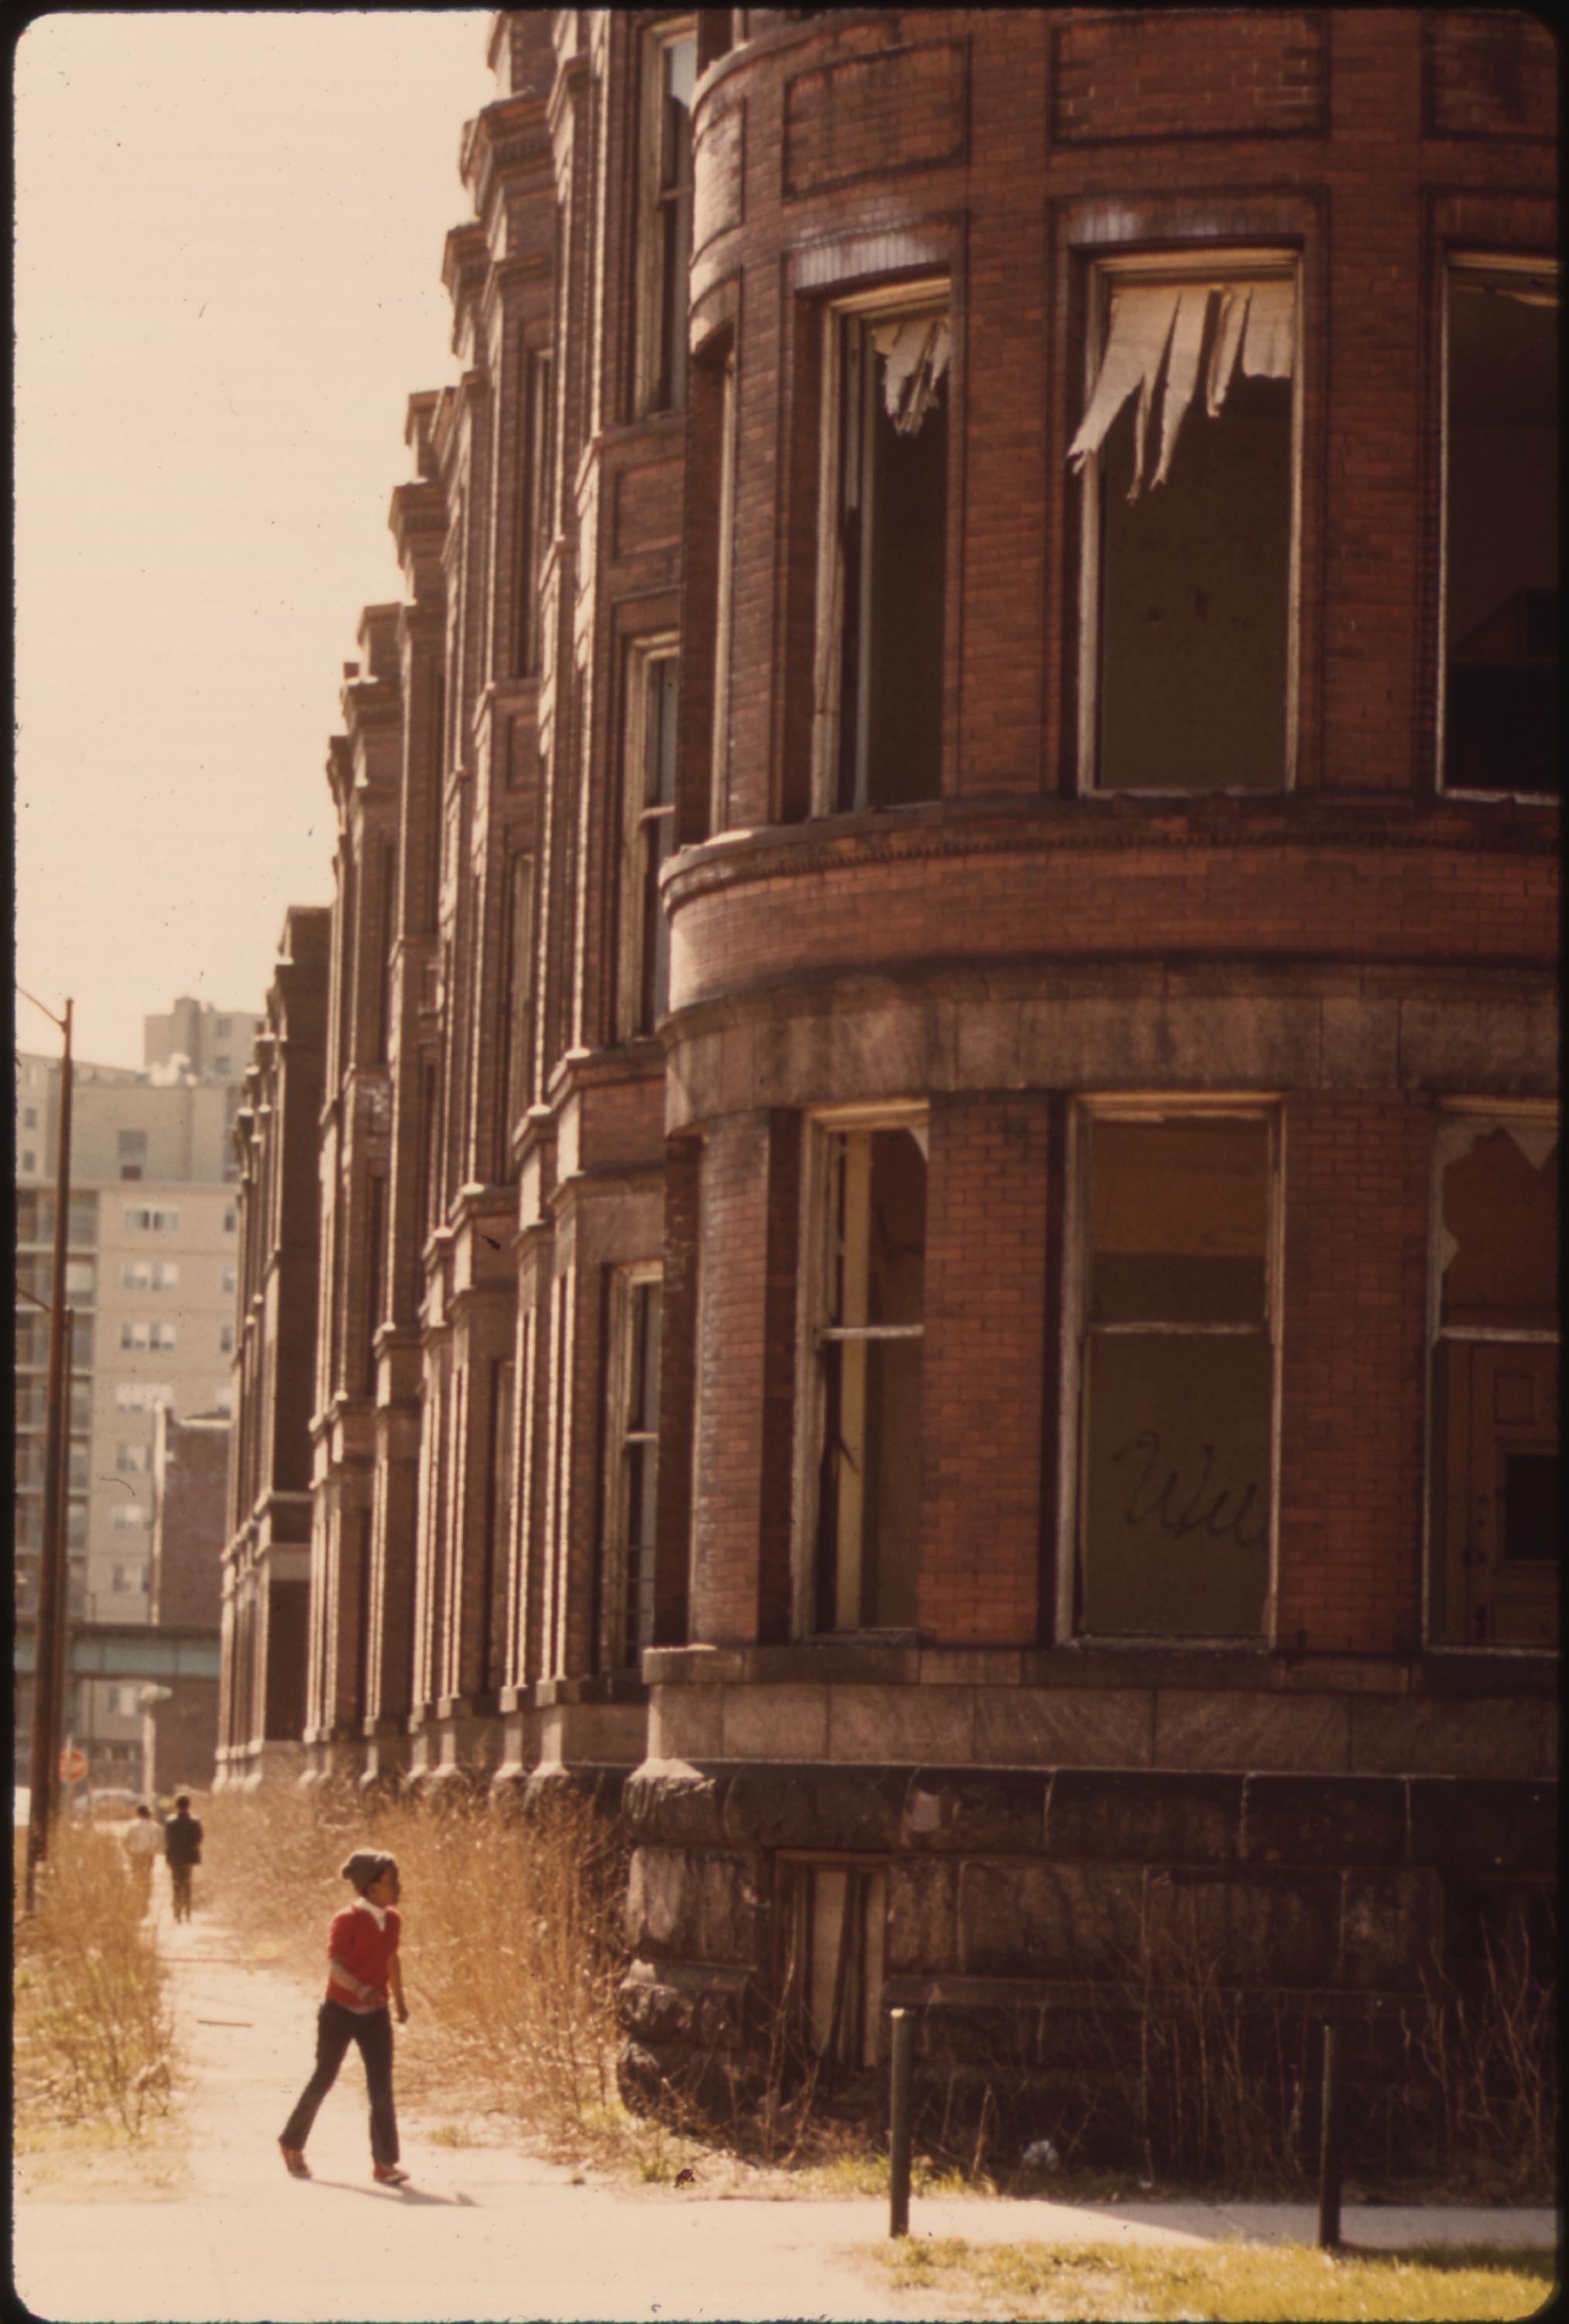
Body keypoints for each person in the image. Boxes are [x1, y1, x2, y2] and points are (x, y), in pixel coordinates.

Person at [279, 1849, 410, 2187]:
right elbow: (335, 1966)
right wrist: (360, 1989)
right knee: (325, 2076)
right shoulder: (346, 1920)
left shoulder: (392, 1920)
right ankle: (291, 2143)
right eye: (390, 1881)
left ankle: (384, 2163)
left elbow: (391, 1960)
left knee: (381, 2085)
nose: (398, 1887)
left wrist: (400, 2002)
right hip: (340, 2011)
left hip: (376, 2014)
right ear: (370, 1888)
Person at [163, 1793, 203, 1921]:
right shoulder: (195, 1822)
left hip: (175, 1857)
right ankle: (188, 1912)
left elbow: (168, 1840)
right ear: (189, 1805)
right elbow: (199, 1838)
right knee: (187, 1883)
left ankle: (177, 1912)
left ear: (176, 1806)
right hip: (189, 1856)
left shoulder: (170, 1822)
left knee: (176, 1884)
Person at [121, 1803, 162, 1916]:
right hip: (148, 1856)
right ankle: (145, 1902)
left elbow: (125, 1841)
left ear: (138, 1813)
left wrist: (129, 1853)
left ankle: (137, 1901)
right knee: (147, 1877)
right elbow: (157, 1844)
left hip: (135, 1855)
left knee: (136, 1878)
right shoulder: (155, 1827)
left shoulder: (132, 1826)